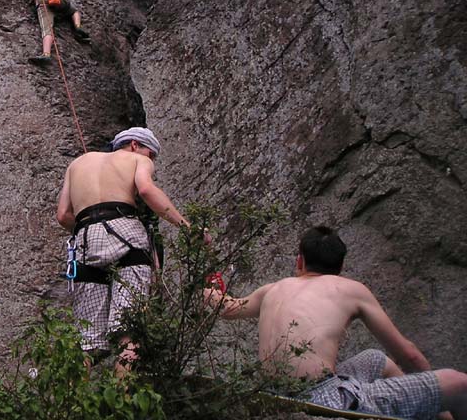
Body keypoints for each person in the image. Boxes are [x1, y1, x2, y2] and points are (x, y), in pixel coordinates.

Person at [203, 225, 467, 420]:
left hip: (272, 397)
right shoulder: (350, 289)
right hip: (325, 402)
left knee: (375, 358)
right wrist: (441, 406)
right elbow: (409, 355)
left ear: (300, 260)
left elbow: (225, 307)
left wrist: (206, 276)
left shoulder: (273, 288)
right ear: (341, 267)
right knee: (458, 383)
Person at [56, 127, 190, 374]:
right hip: (126, 233)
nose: (151, 161)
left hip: (86, 237)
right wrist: (187, 227)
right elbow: (147, 190)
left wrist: (92, 228)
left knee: (86, 343)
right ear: (134, 145)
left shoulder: (76, 165)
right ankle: (123, 404)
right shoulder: (138, 159)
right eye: (151, 155)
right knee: (129, 333)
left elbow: (63, 215)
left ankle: (72, 407)